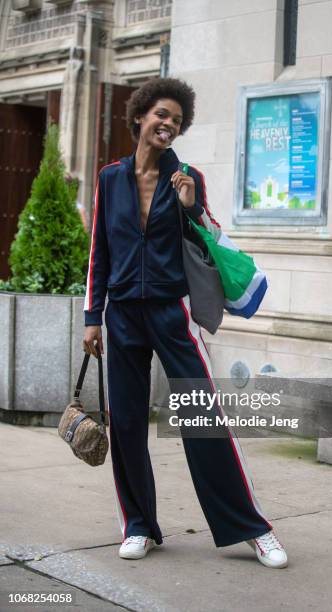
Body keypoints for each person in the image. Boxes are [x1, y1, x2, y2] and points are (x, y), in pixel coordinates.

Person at [82, 77, 288, 569]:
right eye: (161, 115)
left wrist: (192, 205)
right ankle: (139, 525)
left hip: (173, 314)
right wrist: (93, 318)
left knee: (203, 420)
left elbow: (214, 236)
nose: (168, 124)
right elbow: (100, 253)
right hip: (123, 316)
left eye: (176, 119)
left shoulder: (185, 176)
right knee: (127, 423)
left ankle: (253, 528)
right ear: (140, 117)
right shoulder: (110, 179)